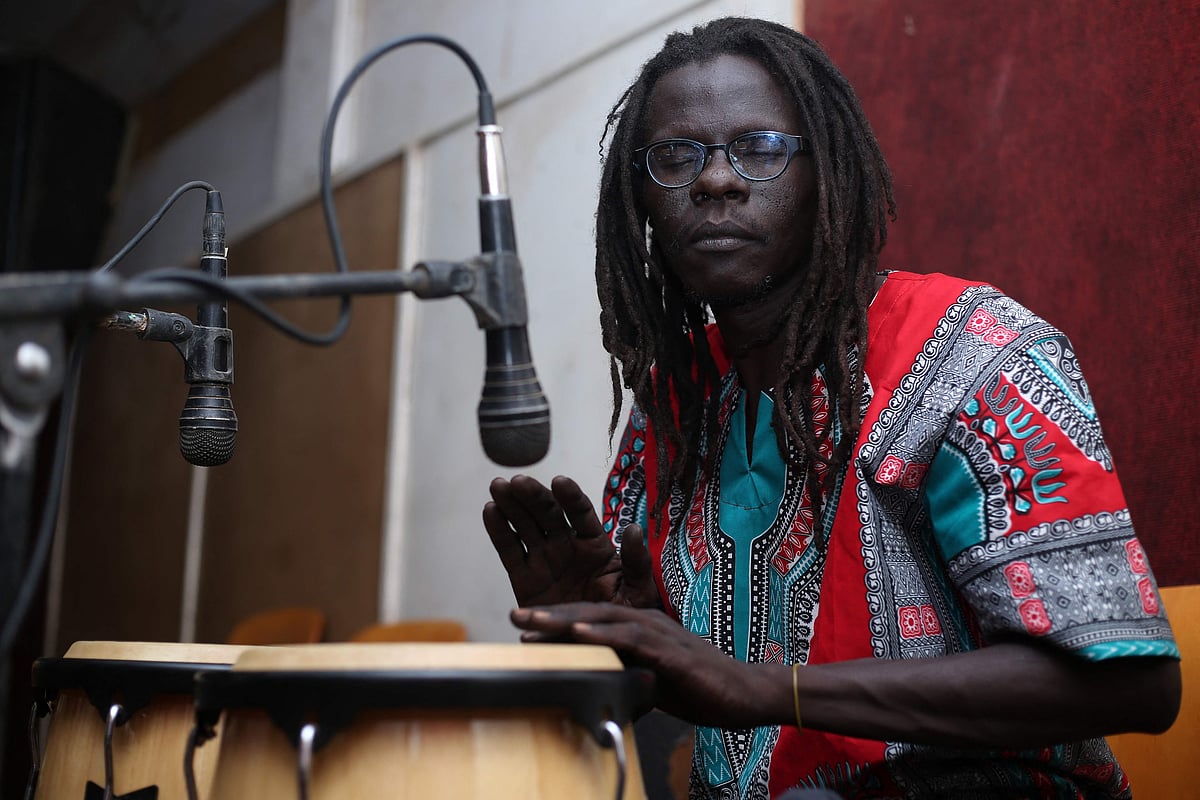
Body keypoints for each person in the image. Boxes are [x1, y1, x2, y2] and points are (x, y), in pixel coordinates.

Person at [482, 16, 1180, 800]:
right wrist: (603, 645)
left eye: (760, 147)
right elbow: (688, 702)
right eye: (677, 156)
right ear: (639, 197)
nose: (716, 180)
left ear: (828, 173)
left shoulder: (975, 353)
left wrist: (776, 689)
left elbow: (1135, 688)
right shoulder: (668, 412)